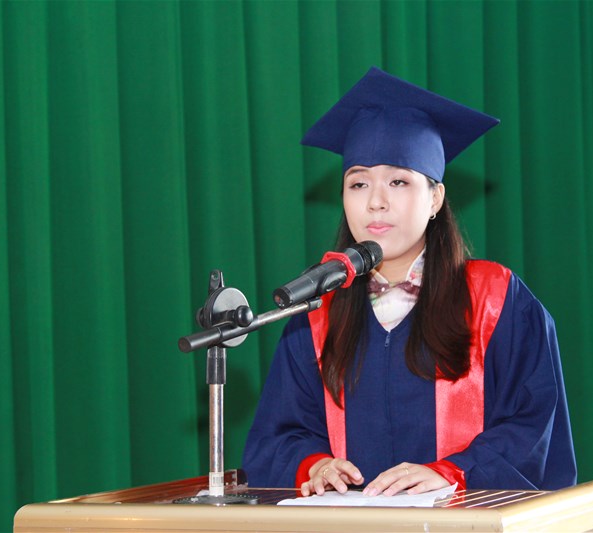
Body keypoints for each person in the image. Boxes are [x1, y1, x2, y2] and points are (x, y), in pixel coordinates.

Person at [242, 67, 576, 497]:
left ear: (435, 198)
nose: (376, 202)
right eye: (358, 183)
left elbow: (535, 426)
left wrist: (455, 472)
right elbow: (278, 436)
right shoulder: (317, 314)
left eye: (398, 181)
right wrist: (314, 465)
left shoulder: (495, 300)